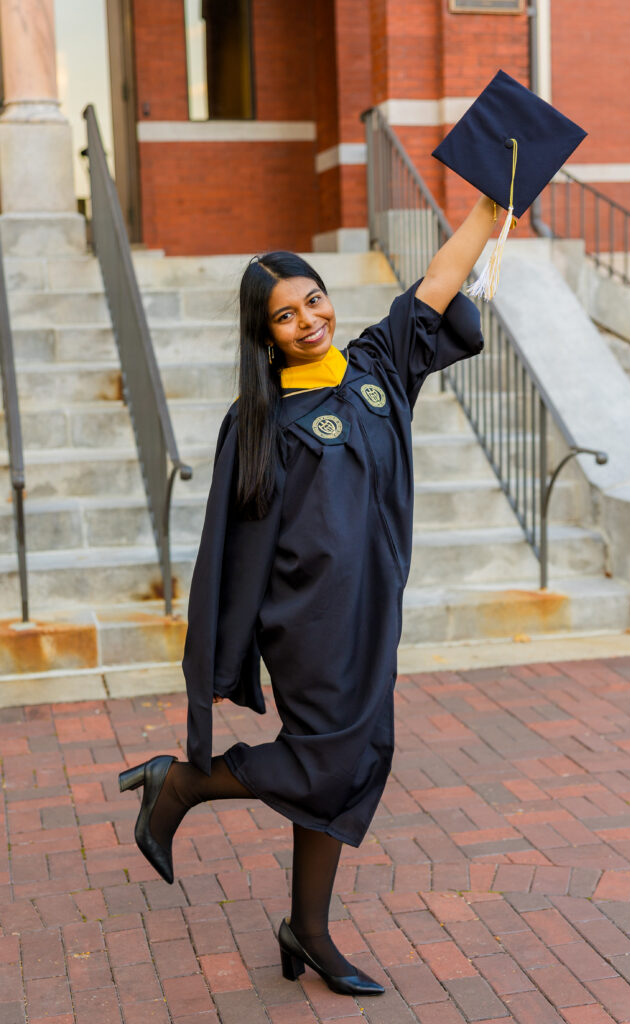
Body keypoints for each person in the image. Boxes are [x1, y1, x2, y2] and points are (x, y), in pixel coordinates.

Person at [119, 193, 497, 997]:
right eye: (285, 317)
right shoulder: (260, 421)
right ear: (265, 337)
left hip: (372, 609)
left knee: (348, 762)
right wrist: (229, 651)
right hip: (309, 620)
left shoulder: (374, 370)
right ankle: (184, 782)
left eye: (313, 299)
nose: (308, 320)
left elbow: (438, 278)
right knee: (332, 761)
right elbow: (233, 547)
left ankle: (306, 929)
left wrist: (488, 206)